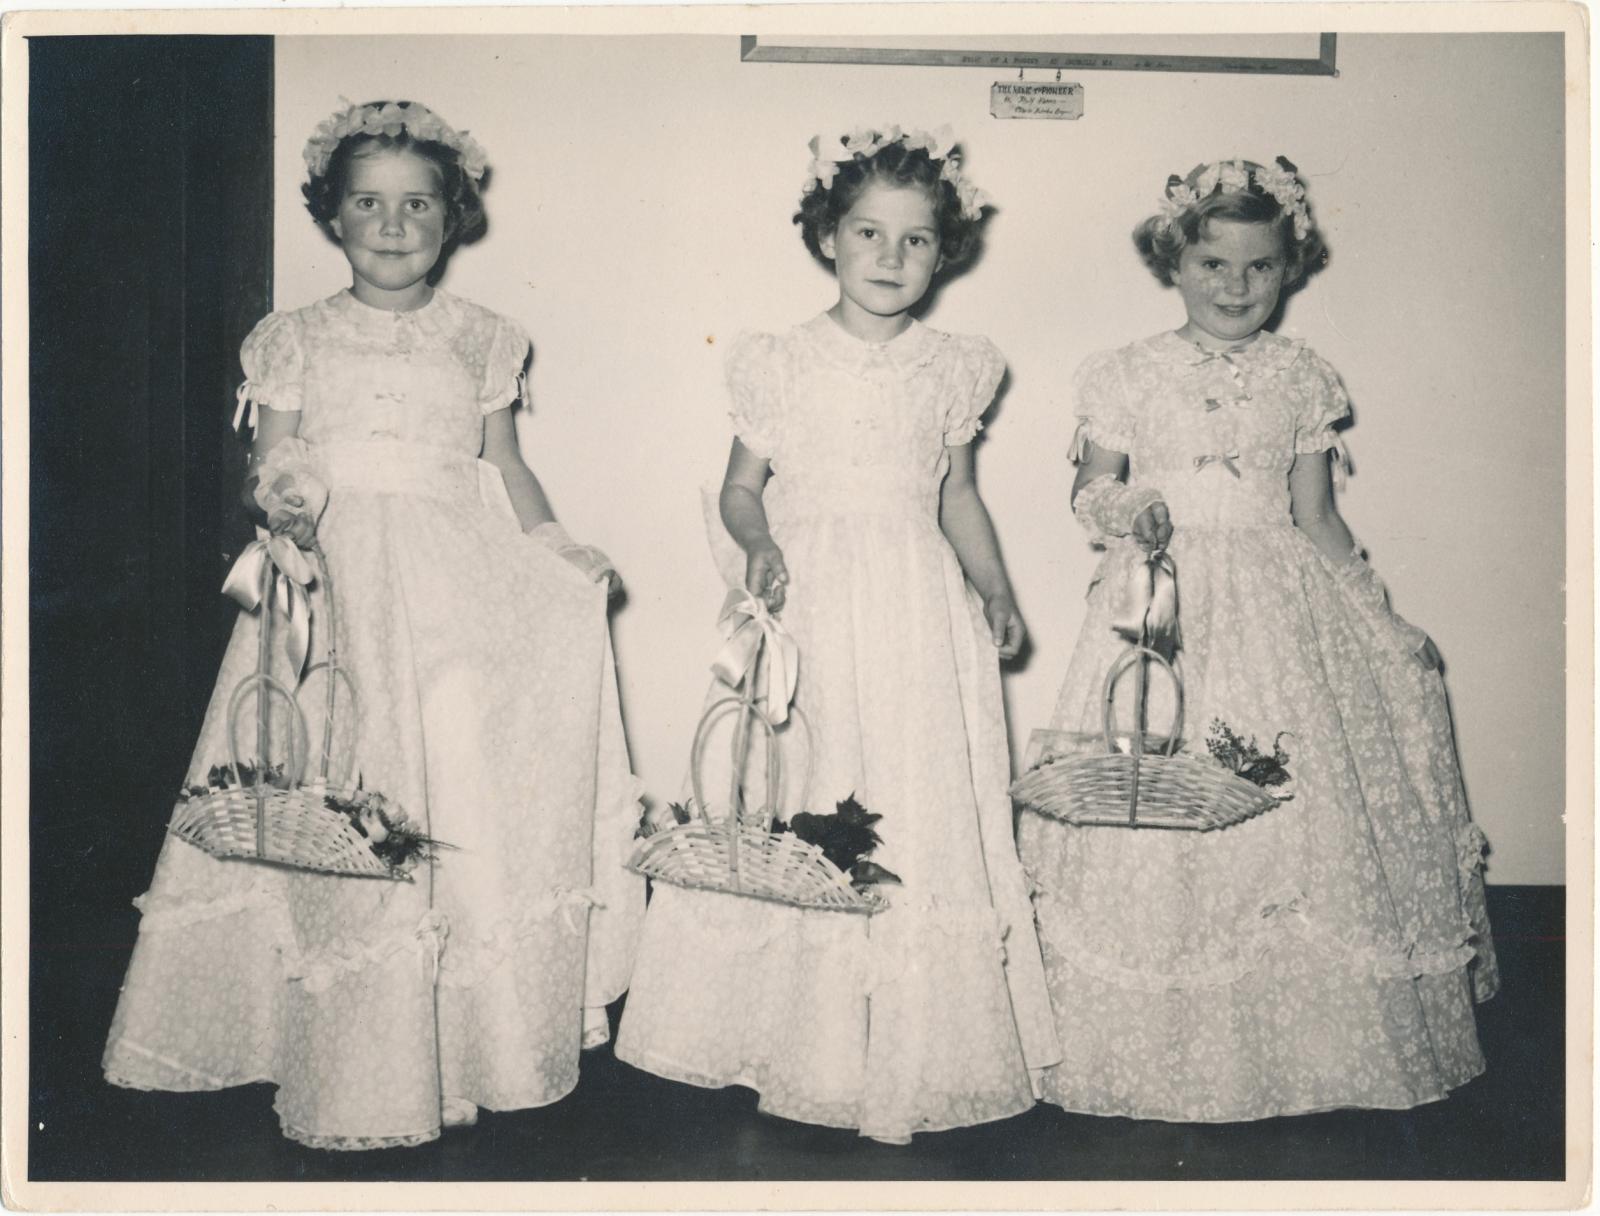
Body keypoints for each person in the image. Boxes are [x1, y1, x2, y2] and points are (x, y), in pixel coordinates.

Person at [103, 99, 644, 1150]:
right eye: (367, 203)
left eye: (417, 205)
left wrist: (555, 547)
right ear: (330, 217)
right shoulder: (294, 337)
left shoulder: (485, 337)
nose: (392, 225)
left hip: (457, 573)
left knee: (454, 772)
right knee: (336, 776)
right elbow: (277, 457)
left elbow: (506, 466)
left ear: (453, 218)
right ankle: (334, 1049)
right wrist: (289, 503)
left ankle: (462, 1035)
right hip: (336, 571)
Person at [1018, 156, 1499, 1121]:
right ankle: (1145, 1046)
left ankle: (1311, 1049)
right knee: (1159, 791)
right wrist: (1134, 507)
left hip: (1282, 607)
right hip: (1159, 602)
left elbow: (1317, 518)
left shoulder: (1301, 376)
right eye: (1213, 265)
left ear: (1292, 267)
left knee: (1302, 806)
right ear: (1174, 260)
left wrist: (1379, 614)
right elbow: (1089, 492)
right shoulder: (1126, 372)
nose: (1236, 289)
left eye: (1261, 268)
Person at [614, 125, 1059, 1144]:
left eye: (915, 239)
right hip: (811, 594)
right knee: (803, 782)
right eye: (868, 232)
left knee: (913, 789)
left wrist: (995, 592)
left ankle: (907, 1043)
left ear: (945, 252)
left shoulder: (954, 367)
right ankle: (780, 1035)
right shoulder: (779, 362)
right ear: (826, 237)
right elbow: (738, 488)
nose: (890, 257)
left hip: (914, 604)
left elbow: (958, 500)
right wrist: (760, 542)